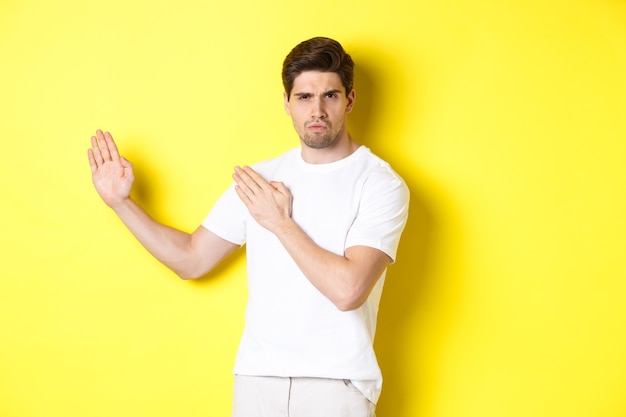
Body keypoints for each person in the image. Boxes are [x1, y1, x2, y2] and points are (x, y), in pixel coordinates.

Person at [88, 37, 409, 417]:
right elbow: (191, 260)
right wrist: (122, 204)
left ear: (349, 101)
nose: (317, 110)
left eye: (330, 96)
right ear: (287, 104)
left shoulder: (380, 183)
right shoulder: (259, 178)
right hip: (258, 381)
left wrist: (278, 223)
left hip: (335, 384)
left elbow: (348, 290)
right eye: (304, 97)